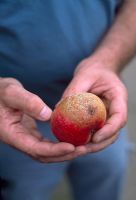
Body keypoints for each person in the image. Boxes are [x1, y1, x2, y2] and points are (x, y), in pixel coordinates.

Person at [0, 0, 135, 199]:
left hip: (102, 103)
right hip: (14, 114)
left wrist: (107, 60)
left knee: (106, 178)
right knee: (25, 192)